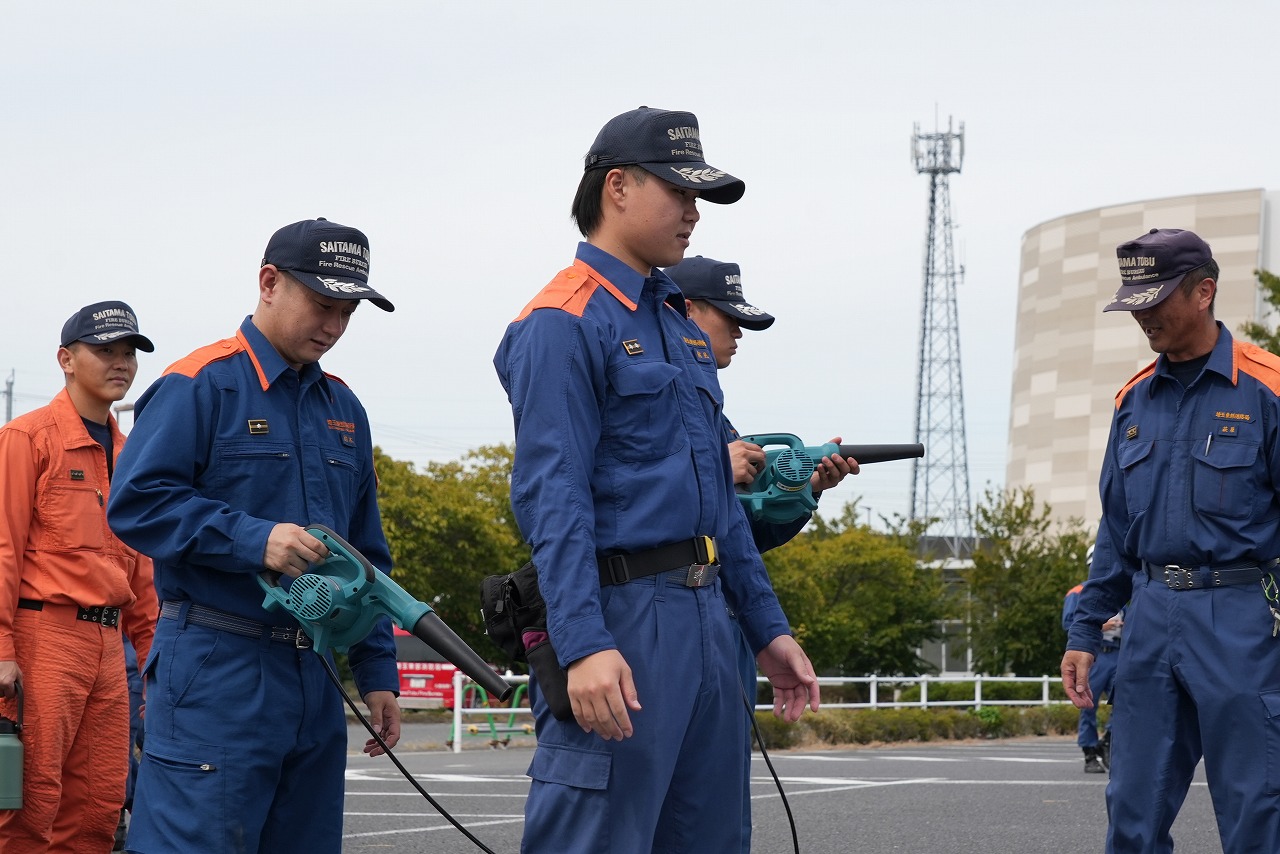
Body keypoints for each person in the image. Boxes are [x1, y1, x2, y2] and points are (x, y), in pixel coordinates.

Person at [494, 106, 821, 853]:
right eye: (678, 192)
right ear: (617, 188)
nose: (693, 213)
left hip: (707, 624)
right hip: (622, 620)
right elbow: (555, 497)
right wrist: (580, 643)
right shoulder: (562, 323)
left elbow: (721, 509)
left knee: (711, 838)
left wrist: (766, 627)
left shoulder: (677, 322)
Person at [105, 218, 402, 854]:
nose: (334, 326)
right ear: (269, 282)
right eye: (323, 305)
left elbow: (367, 556)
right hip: (218, 665)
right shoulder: (199, 384)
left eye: (348, 312)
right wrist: (252, 540)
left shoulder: (345, 408)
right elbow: (135, 504)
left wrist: (378, 670)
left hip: (317, 673)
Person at [1061, 227, 1280, 853]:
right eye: (1133, 300)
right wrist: (1085, 633)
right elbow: (1115, 530)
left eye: (1154, 300)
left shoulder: (1268, 390)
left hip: (1244, 615)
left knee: (1255, 807)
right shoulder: (1132, 402)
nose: (1141, 316)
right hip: (1150, 616)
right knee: (1133, 806)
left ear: (1204, 291)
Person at [666, 254, 857, 849]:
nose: (739, 333)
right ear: (688, 311)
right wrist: (707, 472)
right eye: (729, 317)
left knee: (714, 824)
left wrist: (804, 493)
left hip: (712, 623)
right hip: (650, 618)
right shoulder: (647, 403)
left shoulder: (712, 416)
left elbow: (737, 537)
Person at [0, 301, 160, 853]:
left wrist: (155, 655)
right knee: (26, 802)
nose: (121, 363)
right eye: (105, 350)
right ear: (66, 359)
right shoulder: (28, 438)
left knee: (98, 804)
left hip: (108, 645)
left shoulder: (130, 453)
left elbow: (140, 573)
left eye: (129, 353)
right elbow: (2, 547)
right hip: (43, 637)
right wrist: (1, 647)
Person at [1061, 544, 1121, 774]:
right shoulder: (1077, 592)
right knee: (1087, 704)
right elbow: (1069, 624)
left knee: (1125, 700)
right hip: (1093, 655)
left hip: (1116, 652)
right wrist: (1102, 625)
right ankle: (1089, 753)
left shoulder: (1121, 594)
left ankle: (1108, 739)